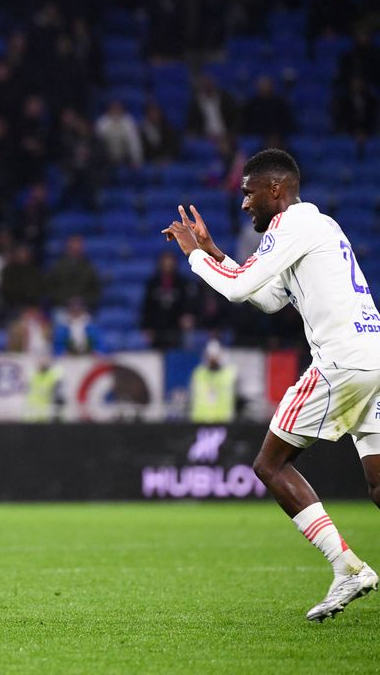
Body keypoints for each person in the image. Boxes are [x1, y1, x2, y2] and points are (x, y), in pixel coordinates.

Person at [162, 149, 380, 622]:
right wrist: (218, 253)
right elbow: (266, 296)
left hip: (341, 361)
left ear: (275, 189)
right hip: (374, 358)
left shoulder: (291, 225)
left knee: (269, 464)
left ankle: (347, 567)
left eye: (248, 193)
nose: (244, 204)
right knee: (379, 484)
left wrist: (196, 257)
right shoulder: (317, 227)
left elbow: (237, 289)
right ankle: (348, 568)